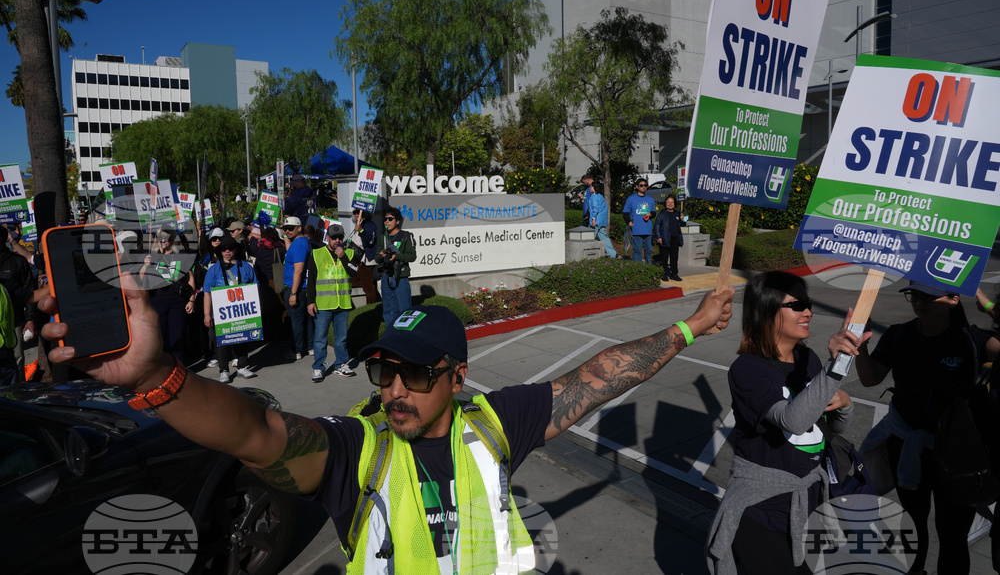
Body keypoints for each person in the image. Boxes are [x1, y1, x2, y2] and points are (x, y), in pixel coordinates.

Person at [39, 263, 734, 573]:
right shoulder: (357, 451)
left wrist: (692, 327)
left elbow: (601, 376)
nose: (395, 388)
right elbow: (256, 433)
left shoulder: (495, 422)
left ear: (458, 378)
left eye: (415, 373)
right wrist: (159, 379)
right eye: (384, 370)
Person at [707, 271, 864, 575]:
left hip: (807, 508)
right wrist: (835, 367)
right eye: (796, 305)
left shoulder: (809, 360)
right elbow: (792, 420)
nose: (808, 312)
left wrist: (845, 403)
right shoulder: (747, 370)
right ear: (766, 311)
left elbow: (826, 430)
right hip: (763, 512)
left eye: (807, 304)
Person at [855, 281, 1000, 575]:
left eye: (929, 296)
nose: (919, 302)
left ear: (953, 300)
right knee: (912, 523)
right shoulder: (898, 334)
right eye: (914, 295)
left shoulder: (973, 338)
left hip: (957, 453)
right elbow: (870, 379)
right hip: (907, 445)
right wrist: (861, 345)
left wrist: (991, 308)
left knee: (953, 534)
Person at [202, 234, 259, 382]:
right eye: (224, 249)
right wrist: (207, 315)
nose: (227, 251)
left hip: (241, 312)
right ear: (220, 251)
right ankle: (224, 370)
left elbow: (255, 288)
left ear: (235, 249)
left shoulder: (246, 267)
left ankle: (242, 367)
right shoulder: (213, 270)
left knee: (242, 339)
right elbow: (207, 293)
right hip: (221, 314)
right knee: (222, 343)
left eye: (230, 248)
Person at [306, 223, 359, 382]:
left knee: (341, 337)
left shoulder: (349, 253)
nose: (337, 240)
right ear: (327, 237)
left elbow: (354, 272)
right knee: (320, 338)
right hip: (323, 304)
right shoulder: (317, 254)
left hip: (342, 303)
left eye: (340, 238)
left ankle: (341, 364)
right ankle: (318, 368)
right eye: (334, 237)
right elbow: (311, 281)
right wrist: (310, 302)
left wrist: (343, 257)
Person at [139, 228, 197, 361]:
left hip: (178, 301)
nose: (163, 241)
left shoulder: (181, 256)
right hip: (157, 301)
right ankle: (165, 369)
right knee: (161, 337)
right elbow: (141, 279)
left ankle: (179, 368)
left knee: (177, 337)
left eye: (166, 239)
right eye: (160, 239)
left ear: (172, 241)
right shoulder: (151, 256)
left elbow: (191, 279)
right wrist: (145, 266)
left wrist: (191, 300)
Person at [0, 225, 35, 381]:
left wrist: (30, 319)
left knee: (17, 360)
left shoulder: (18, 261)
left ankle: (18, 397)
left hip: (15, 322)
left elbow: (30, 292)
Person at [377, 206, 417, 326]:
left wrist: (397, 257)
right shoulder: (382, 238)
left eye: (390, 219)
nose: (387, 222)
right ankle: (391, 334)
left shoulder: (405, 236)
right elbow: (376, 258)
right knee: (388, 309)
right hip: (386, 276)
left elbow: (412, 256)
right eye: (385, 219)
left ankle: (406, 335)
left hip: (400, 277)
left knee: (404, 309)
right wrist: (381, 256)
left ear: (397, 221)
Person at [282, 216, 312, 361]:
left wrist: (293, 292)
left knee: (297, 321)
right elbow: (291, 252)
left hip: (297, 288)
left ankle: (297, 350)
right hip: (300, 288)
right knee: (305, 319)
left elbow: (298, 270)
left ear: (299, 228)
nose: (287, 231)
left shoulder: (299, 244)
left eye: (290, 229)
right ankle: (309, 346)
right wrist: (285, 237)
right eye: (285, 229)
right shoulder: (298, 242)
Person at [622, 178, 656, 263]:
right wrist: (629, 222)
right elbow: (625, 212)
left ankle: (649, 269)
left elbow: (654, 212)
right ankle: (637, 269)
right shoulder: (631, 199)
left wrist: (650, 214)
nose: (643, 187)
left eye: (645, 185)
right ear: (637, 187)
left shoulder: (650, 199)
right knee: (637, 252)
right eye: (641, 185)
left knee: (648, 251)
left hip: (647, 230)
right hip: (636, 230)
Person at [349, 209, 379, 304]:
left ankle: (371, 307)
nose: (356, 214)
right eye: (355, 213)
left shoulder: (370, 225)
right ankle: (371, 285)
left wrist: (361, 230)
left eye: (358, 212)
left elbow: (370, 242)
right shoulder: (359, 224)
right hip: (357, 260)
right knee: (351, 282)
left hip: (365, 261)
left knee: (368, 289)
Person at [654, 195, 684, 282]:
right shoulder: (662, 214)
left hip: (675, 239)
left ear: (674, 204)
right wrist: (658, 237)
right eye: (668, 202)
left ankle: (674, 274)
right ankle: (664, 274)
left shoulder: (678, 213)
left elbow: (682, 225)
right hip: (664, 238)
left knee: (674, 258)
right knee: (664, 258)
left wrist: (682, 219)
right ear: (665, 204)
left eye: (672, 202)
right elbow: (657, 226)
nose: (670, 204)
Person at [587, 183, 616, 259]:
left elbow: (595, 209)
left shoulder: (594, 197)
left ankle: (588, 255)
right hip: (602, 221)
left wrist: (593, 219)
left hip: (596, 221)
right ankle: (613, 254)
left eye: (591, 186)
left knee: (589, 237)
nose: (590, 188)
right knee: (604, 238)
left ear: (594, 188)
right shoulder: (601, 197)